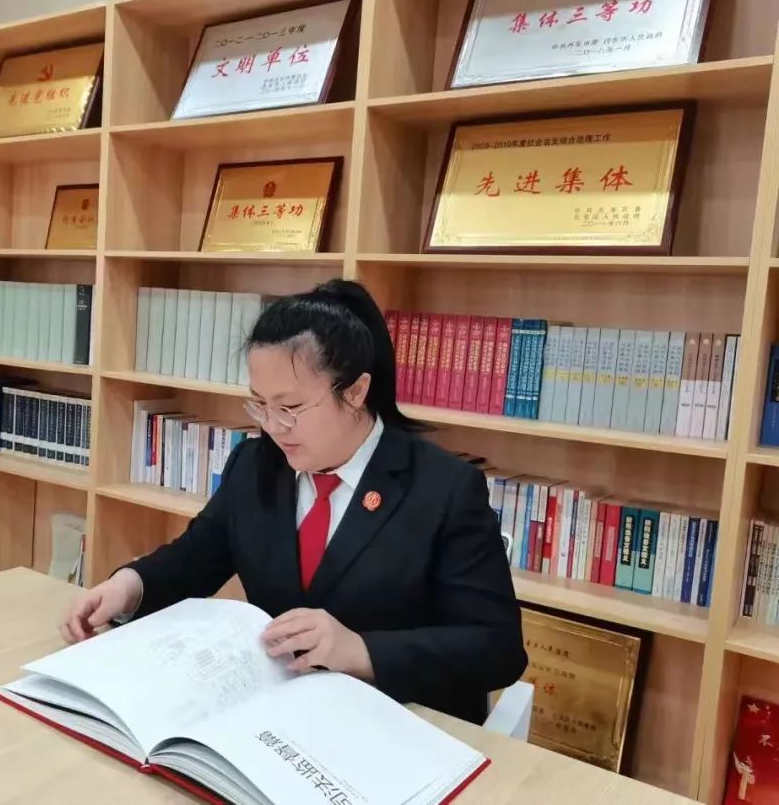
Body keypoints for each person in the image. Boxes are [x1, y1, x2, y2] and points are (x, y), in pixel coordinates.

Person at [62, 279, 528, 725]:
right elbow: (194, 559)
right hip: (278, 714)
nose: (273, 426)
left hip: (397, 720)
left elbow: (498, 648)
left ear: (356, 391)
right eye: (260, 404)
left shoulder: (444, 489)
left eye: (290, 408)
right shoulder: (256, 465)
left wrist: (360, 651)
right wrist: (128, 587)